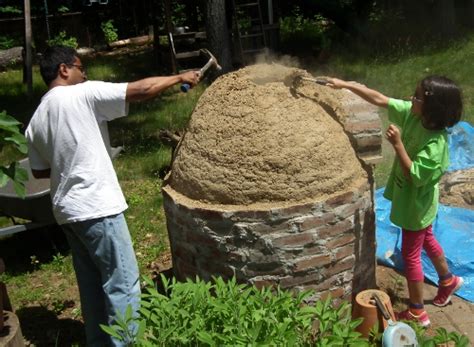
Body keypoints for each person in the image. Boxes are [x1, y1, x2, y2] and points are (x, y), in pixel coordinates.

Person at [25, 45, 199, 346]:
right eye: (81, 67)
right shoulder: (81, 94)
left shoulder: (37, 119)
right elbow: (141, 90)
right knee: (123, 284)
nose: (85, 73)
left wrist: (68, 155)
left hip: (68, 213)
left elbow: (40, 173)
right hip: (96, 208)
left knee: (92, 287)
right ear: (64, 70)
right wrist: (179, 77)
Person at [326, 76, 463, 327]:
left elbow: (415, 177)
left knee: (411, 256)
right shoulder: (414, 115)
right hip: (418, 205)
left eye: (418, 96)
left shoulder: (436, 144)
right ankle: (448, 280)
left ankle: (417, 311)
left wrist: (398, 144)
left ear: (434, 108)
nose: (412, 99)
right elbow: (379, 99)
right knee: (428, 238)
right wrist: (345, 84)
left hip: (416, 205)